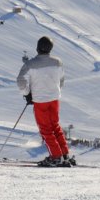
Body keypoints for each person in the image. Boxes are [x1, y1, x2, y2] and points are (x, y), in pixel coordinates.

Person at [16, 36, 74, 167]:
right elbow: (62, 79)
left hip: (40, 100)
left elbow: (20, 81)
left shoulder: (30, 64)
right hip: (54, 99)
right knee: (55, 126)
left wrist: (27, 93)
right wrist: (55, 90)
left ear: (37, 48)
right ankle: (64, 154)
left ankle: (56, 156)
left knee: (46, 130)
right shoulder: (57, 62)